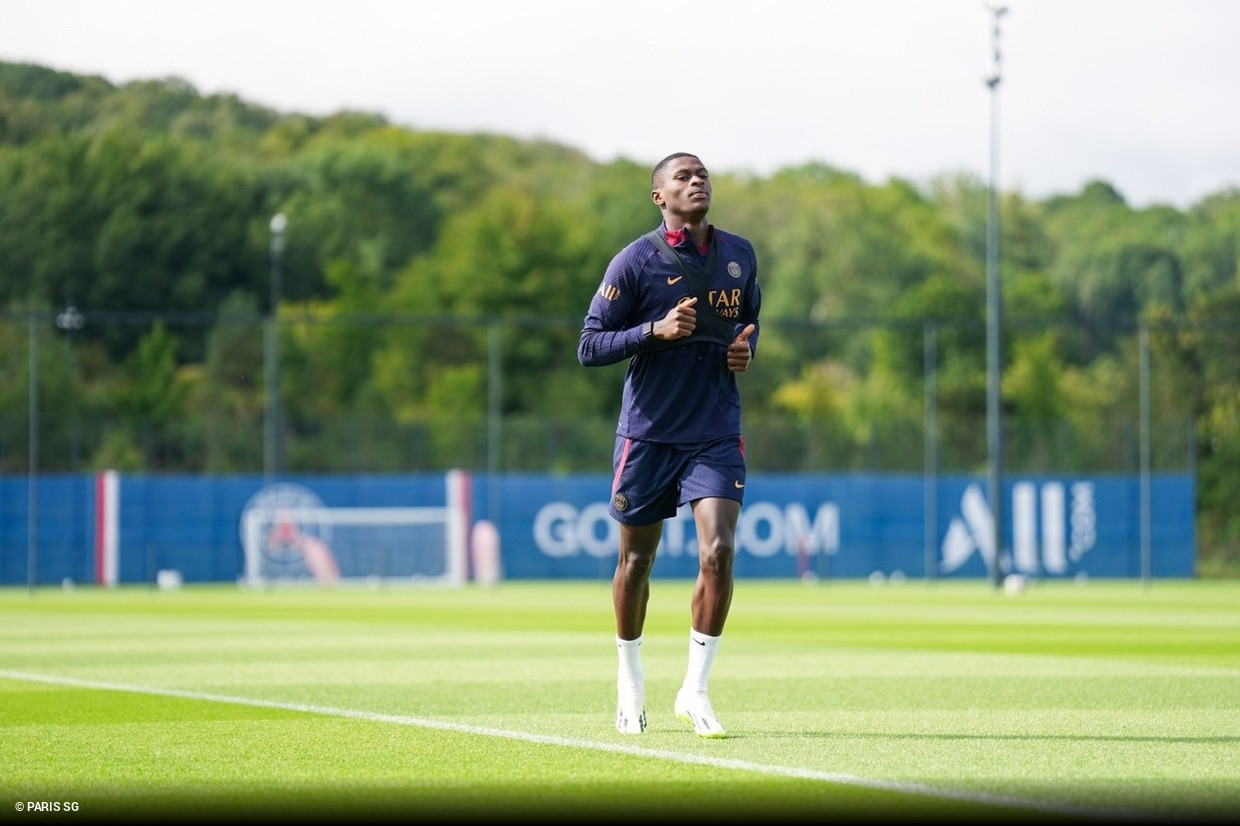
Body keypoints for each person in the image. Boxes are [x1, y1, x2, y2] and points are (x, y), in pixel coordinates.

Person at [577, 152, 761, 738]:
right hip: (649, 433)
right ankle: (630, 680)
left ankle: (695, 689)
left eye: (701, 173)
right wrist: (653, 332)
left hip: (714, 428)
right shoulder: (634, 262)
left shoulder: (740, 256)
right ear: (660, 196)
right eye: (682, 176)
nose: (696, 180)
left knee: (719, 551)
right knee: (636, 561)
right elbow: (589, 346)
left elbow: (747, 327)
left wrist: (745, 351)